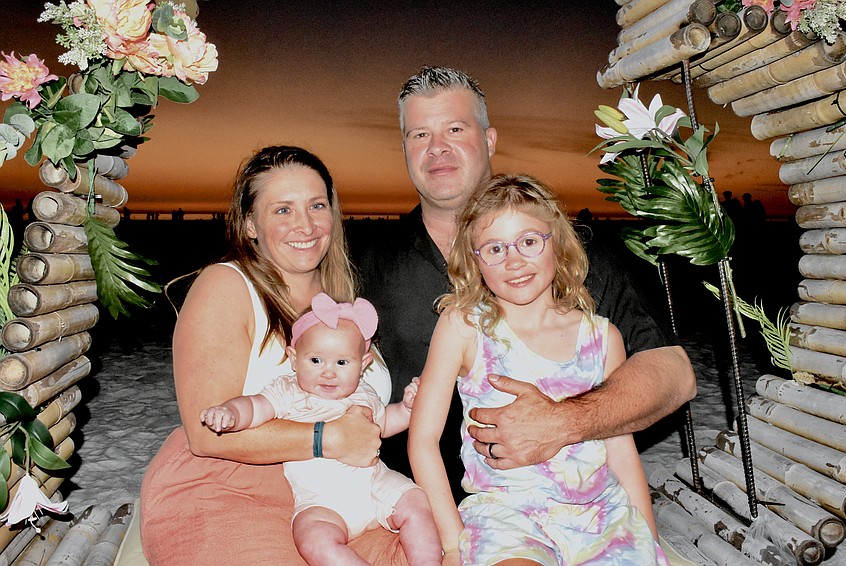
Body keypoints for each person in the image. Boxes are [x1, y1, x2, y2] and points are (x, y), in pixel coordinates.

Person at [351, 66, 697, 501]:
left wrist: (563, 422)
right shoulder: (362, 264)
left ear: (490, 139)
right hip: (413, 514)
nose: (436, 148)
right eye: (419, 135)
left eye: (455, 129)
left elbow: (674, 374)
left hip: (572, 505)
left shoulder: (570, 250)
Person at [140, 146, 407, 564]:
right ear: (250, 224)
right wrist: (328, 438)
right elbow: (205, 431)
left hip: (344, 499)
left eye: (317, 205)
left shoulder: (344, 304)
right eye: (283, 210)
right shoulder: (227, 286)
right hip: (229, 488)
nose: (305, 224)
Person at [409, 174, 668, 565]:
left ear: (558, 244)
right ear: (474, 260)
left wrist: (650, 542)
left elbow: (620, 448)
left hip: (601, 515)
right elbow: (423, 440)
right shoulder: (463, 327)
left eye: (529, 241)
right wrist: (451, 544)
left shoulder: (602, 337)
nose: (514, 261)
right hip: (506, 515)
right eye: (494, 248)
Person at [199, 293, 441, 566]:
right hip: (322, 502)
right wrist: (231, 412)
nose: (328, 373)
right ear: (294, 358)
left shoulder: (364, 393)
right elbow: (255, 408)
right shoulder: (287, 391)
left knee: (416, 501)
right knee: (312, 539)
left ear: (363, 365)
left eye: (341, 363)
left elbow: (384, 424)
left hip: (376, 486)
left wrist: (409, 409)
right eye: (316, 361)